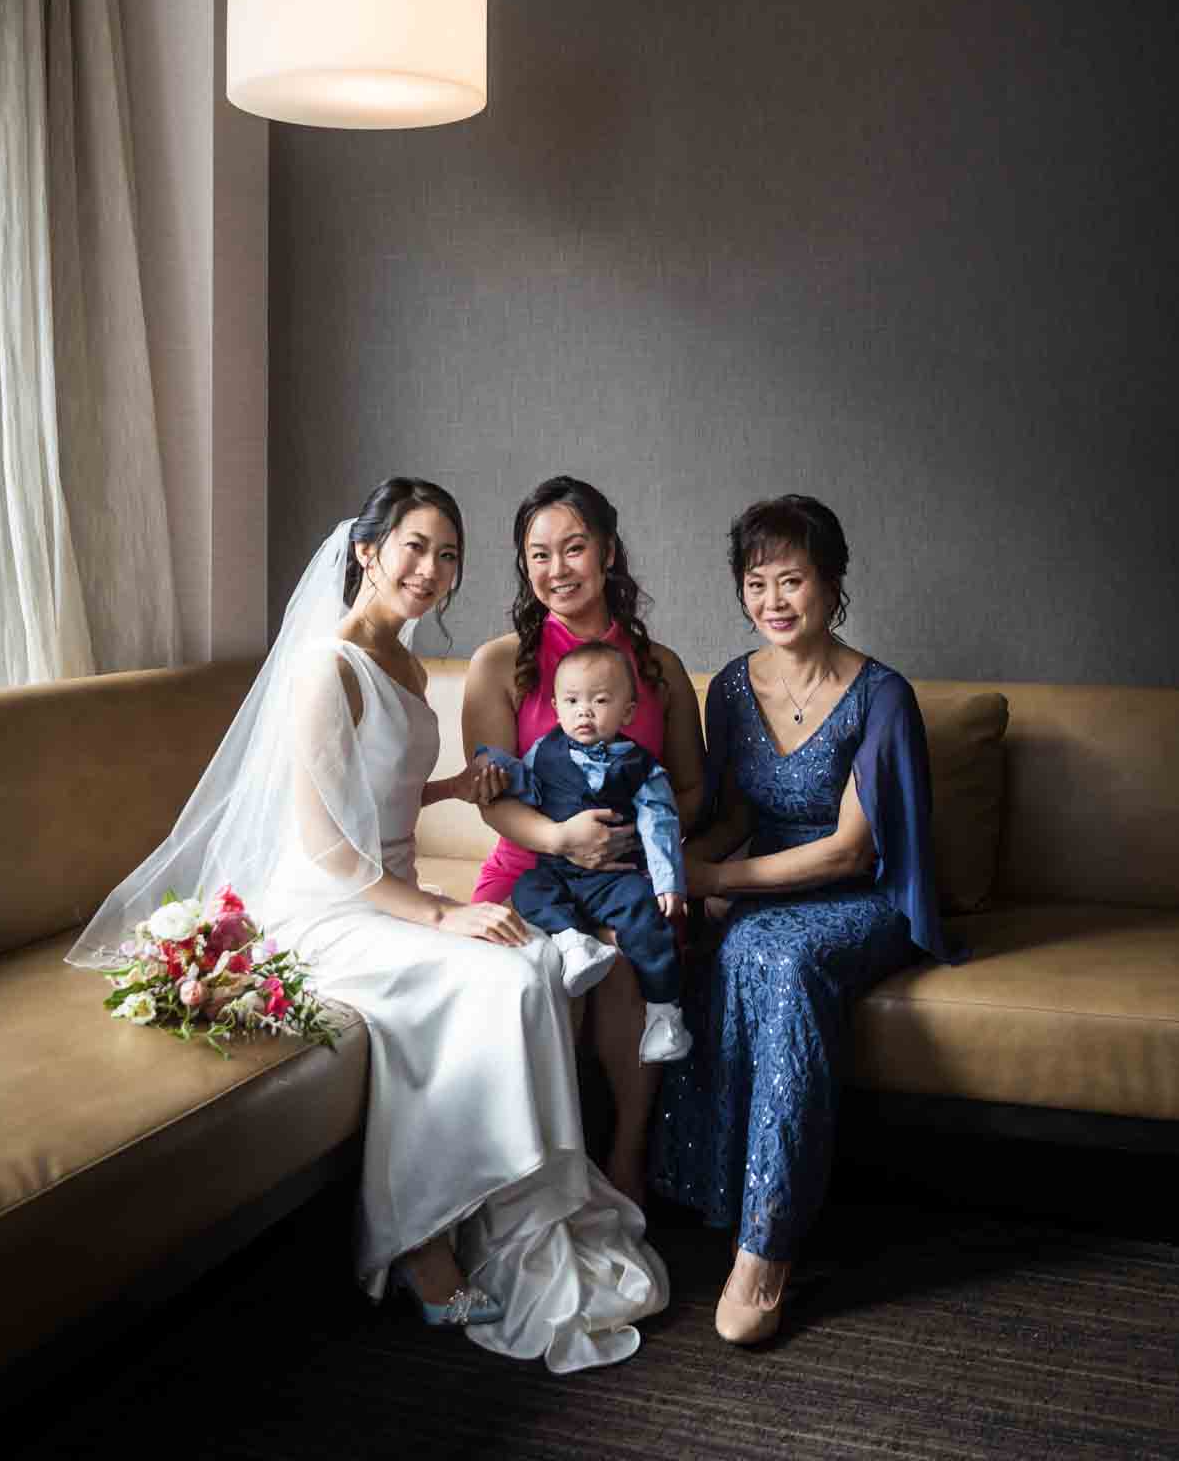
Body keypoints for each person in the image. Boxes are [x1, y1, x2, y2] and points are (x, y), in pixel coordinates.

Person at [68, 478, 667, 1372]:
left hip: (387, 894)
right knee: (503, 970)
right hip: (330, 910)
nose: (431, 570)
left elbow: (370, 789)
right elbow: (325, 845)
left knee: (537, 961)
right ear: (366, 552)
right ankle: (419, 1246)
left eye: (449, 555)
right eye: (415, 547)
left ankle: (493, 1218)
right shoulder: (326, 664)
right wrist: (439, 911)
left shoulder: (404, 665)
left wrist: (450, 792)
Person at [647, 494, 963, 1347]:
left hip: (863, 899)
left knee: (779, 957)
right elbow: (731, 810)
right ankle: (709, 1195)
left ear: (832, 586)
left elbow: (850, 854)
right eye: (756, 582)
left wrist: (719, 874)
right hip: (762, 884)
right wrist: (674, 862)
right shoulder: (730, 689)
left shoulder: (882, 695)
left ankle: (767, 1247)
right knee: (731, 942)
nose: (773, 600)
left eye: (793, 579)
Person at [462, 476, 706, 1202]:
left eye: (573, 548)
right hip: (530, 867)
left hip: (627, 873)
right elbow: (492, 798)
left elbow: (691, 787)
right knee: (545, 970)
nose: (556, 569)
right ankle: (543, 1175)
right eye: (538, 555)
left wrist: (646, 840)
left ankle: (628, 1155)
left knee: (628, 958)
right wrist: (562, 839)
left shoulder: (656, 667)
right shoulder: (498, 664)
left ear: (607, 553)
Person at [477, 640, 692, 1064]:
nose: (584, 711)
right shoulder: (545, 749)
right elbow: (529, 786)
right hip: (557, 871)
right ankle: (573, 940)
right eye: (573, 701)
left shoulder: (641, 765)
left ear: (627, 712)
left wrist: (668, 880)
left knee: (645, 919)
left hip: (615, 876)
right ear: (556, 708)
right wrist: (494, 770)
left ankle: (665, 1014)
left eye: (600, 701)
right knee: (528, 890)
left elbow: (659, 821)